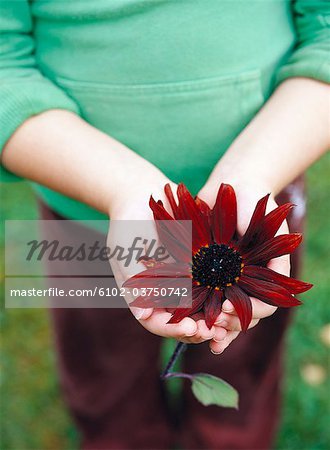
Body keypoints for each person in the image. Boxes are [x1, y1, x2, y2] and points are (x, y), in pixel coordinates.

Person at [1, 1, 329, 449]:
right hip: (83, 212)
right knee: (103, 366)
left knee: (240, 357)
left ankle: (230, 438)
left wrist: (251, 178)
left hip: (257, 208)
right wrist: (124, 189)